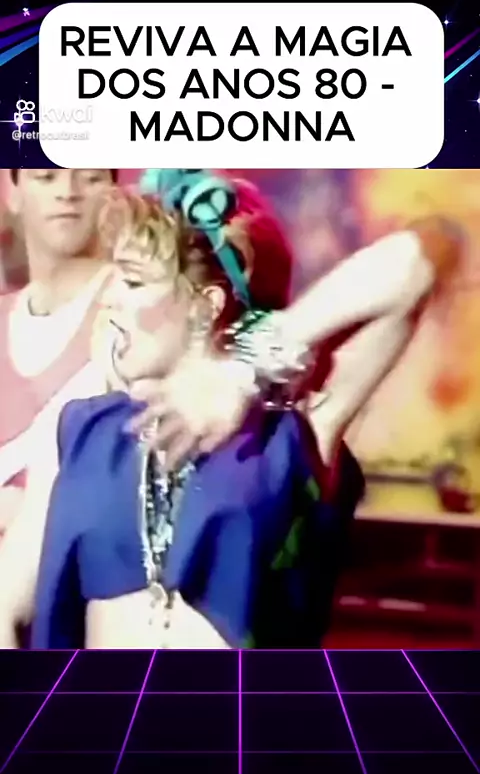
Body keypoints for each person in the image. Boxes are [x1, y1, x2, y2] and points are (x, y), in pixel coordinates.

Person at [0, 171, 462, 649]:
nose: (110, 298)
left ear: (206, 306)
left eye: (133, 282)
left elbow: (424, 256)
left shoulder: (292, 430)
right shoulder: (82, 434)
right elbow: (5, 608)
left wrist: (242, 373)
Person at [0, 169, 117, 535]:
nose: (68, 192)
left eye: (91, 177)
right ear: (13, 192)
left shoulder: (140, 312)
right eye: (46, 177)